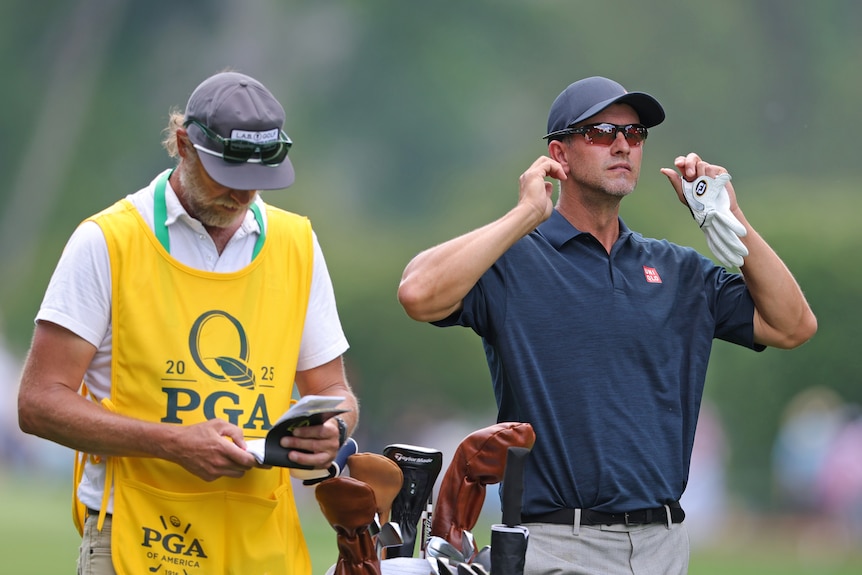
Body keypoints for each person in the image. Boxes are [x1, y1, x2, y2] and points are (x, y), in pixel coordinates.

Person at [397, 76, 817, 574]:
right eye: (601, 132)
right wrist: (527, 213)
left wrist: (728, 217)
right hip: (556, 543)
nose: (623, 144)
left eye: (635, 134)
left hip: (664, 545)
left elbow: (793, 325)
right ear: (560, 154)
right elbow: (418, 293)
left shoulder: (679, 271)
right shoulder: (514, 262)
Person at [17, 70, 358, 575]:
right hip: (138, 533)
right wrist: (172, 443)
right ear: (183, 145)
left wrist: (333, 430)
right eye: (230, 176)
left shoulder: (298, 244)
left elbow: (334, 390)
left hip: (262, 539)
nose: (244, 197)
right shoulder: (107, 241)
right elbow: (38, 402)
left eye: (258, 179)